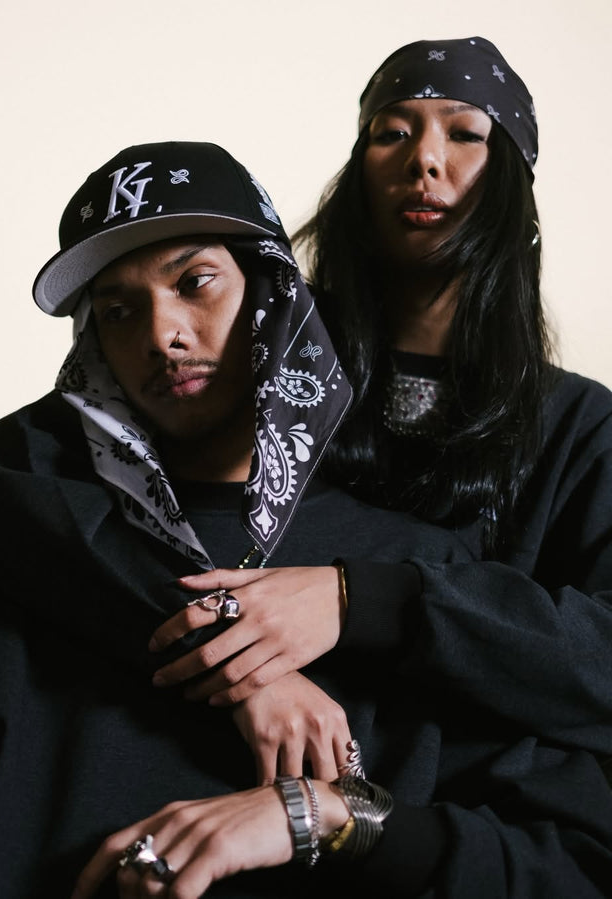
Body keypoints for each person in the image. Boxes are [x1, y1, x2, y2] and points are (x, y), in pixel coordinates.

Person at [0, 140, 487, 898]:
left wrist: (338, 815)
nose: (161, 335)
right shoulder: (3, 555)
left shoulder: (413, 567)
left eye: (194, 282)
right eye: (118, 310)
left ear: (272, 291)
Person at [146, 37, 612, 766]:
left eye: (465, 134)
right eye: (391, 133)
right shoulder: (260, 356)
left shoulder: (580, 427)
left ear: (513, 183)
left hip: (437, 812)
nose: (424, 159)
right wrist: (242, 656)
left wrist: (356, 599)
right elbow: (87, 480)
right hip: (206, 761)